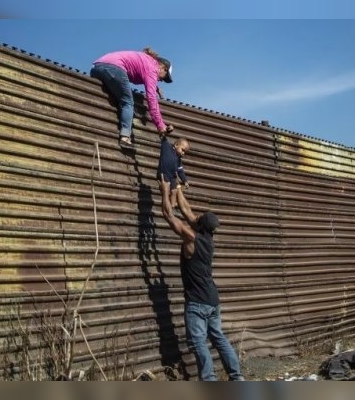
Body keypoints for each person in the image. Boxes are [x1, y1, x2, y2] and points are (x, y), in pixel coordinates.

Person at [160, 180, 245, 381]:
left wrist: (164, 190)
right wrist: (177, 188)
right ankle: (237, 377)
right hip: (213, 301)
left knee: (198, 342)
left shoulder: (191, 238)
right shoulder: (208, 239)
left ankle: (209, 380)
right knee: (219, 338)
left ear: (199, 225)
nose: (196, 215)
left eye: (199, 217)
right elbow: (187, 210)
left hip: (197, 302)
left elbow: (169, 215)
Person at [90, 47, 174, 150]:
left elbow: (141, 73)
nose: (162, 80)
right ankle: (125, 137)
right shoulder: (153, 68)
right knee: (128, 102)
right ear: (162, 67)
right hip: (114, 68)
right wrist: (160, 125)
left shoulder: (147, 61)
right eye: (165, 77)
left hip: (97, 67)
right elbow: (151, 99)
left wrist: (156, 88)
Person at [158, 134, 190, 214]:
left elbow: (180, 171)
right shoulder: (167, 148)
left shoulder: (178, 160)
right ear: (176, 145)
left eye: (185, 152)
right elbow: (163, 136)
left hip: (172, 176)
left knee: (174, 191)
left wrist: (185, 181)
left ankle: (172, 206)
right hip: (164, 173)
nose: (183, 153)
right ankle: (168, 208)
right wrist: (166, 131)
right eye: (183, 150)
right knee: (166, 190)